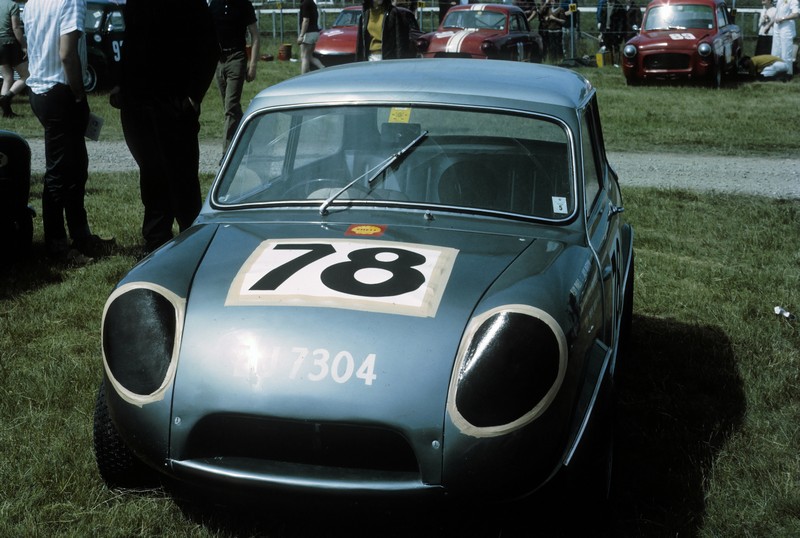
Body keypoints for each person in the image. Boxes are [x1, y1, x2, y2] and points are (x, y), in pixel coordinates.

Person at [110, 0, 218, 254]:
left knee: (182, 175)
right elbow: (130, 42)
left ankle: (191, 240)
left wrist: (194, 95)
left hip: (174, 100)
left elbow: (209, 46)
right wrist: (121, 84)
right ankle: (156, 241)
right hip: (138, 99)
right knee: (150, 171)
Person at [24, 0, 113, 263]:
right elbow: (67, 54)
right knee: (61, 172)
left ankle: (80, 236)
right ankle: (58, 246)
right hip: (60, 91)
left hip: (40, 89)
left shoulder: (33, 2)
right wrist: (78, 94)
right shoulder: (71, 1)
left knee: (74, 167)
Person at [209, 0, 260, 151]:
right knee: (231, 108)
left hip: (237, 57)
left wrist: (253, 65)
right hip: (219, 60)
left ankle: (227, 153)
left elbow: (255, 36)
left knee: (230, 107)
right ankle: (247, 136)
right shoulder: (214, 4)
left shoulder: (244, 4)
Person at [355, 0, 421, 61]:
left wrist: (400, 63)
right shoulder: (365, 14)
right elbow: (360, 43)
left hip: (388, 59)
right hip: (370, 59)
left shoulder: (393, 12)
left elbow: (400, 42)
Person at [0, 0, 29, 118]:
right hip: (9, 43)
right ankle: (7, 98)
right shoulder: (12, 5)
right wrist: (24, 46)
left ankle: (6, 111)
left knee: (7, 78)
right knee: (27, 75)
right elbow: (16, 27)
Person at [770, 0, 799, 76]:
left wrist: (783, 18)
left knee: (786, 53)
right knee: (775, 51)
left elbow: (796, 14)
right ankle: (776, 73)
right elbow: (776, 13)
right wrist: (770, 24)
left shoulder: (793, 0)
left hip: (786, 27)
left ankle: (787, 74)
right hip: (777, 26)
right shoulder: (779, 0)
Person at [297, 0, 325, 74]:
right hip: (315, 32)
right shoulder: (312, 3)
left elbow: (306, 20)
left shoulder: (305, 3)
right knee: (310, 56)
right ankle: (323, 68)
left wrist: (301, 35)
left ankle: (303, 77)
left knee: (304, 56)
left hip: (308, 33)